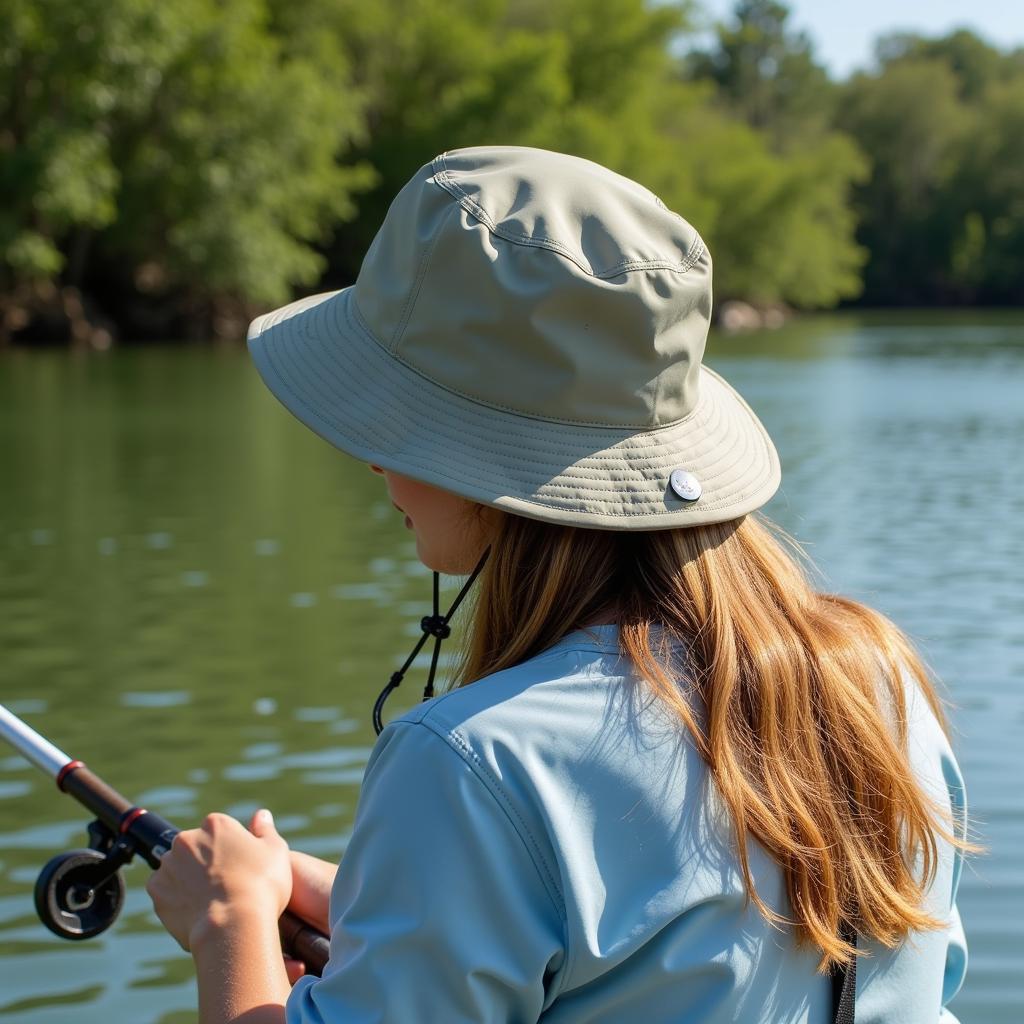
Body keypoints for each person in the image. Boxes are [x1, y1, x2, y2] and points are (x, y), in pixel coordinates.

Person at [145, 147, 971, 1023]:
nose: (376, 454)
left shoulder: (472, 765)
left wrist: (229, 923)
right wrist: (386, 898)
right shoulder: (876, 681)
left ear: (476, 458)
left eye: (396, 414)